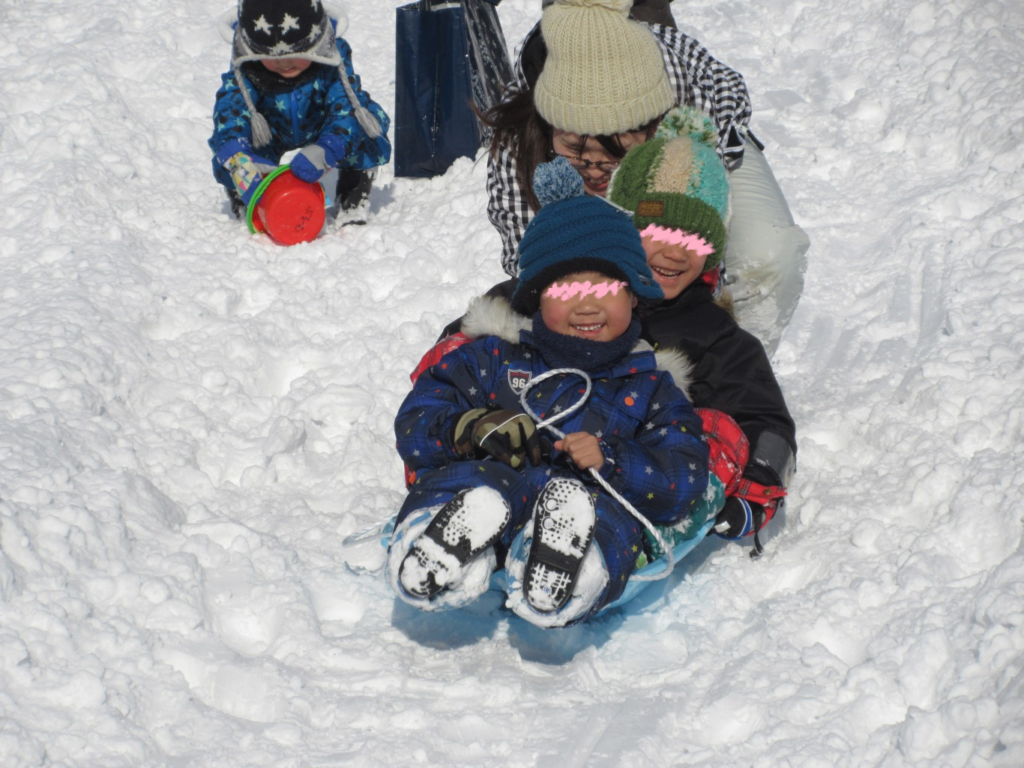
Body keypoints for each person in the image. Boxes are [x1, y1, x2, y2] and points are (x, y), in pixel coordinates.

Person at [415, 118, 796, 554]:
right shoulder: (551, 292)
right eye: (655, 231)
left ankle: (631, 543)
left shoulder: (712, 336)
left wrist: (755, 488)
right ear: (622, 224)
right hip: (531, 450)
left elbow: (765, 422)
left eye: (696, 238)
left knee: (713, 427)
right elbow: (457, 355)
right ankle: (460, 506)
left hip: (631, 479)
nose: (675, 252)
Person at [387, 185, 710, 628]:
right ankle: (432, 545)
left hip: (588, 505)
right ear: (535, 296)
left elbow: (684, 478)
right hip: (491, 488)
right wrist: (468, 428)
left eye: (609, 286)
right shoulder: (493, 359)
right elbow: (416, 423)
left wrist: (612, 461)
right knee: (474, 484)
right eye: (567, 287)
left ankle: (568, 572)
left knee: (602, 517)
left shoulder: (652, 388)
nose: (588, 302)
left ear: (635, 294)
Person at [484, 0, 752, 274]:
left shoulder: (687, 119)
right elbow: (527, 256)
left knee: (770, 258)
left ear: (655, 127)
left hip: (713, 120)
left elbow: (703, 250)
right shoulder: (518, 131)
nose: (595, 169)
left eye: (615, 153)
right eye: (575, 147)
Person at [209, 0, 391, 226]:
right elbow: (231, 107)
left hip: (323, 125)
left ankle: (353, 193)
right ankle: (252, 196)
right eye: (273, 57)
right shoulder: (247, 64)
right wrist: (237, 156)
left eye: (298, 52)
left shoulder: (333, 57)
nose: (285, 63)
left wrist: (329, 147)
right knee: (232, 151)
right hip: (269, 131)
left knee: (364, 123)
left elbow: (347, 105)